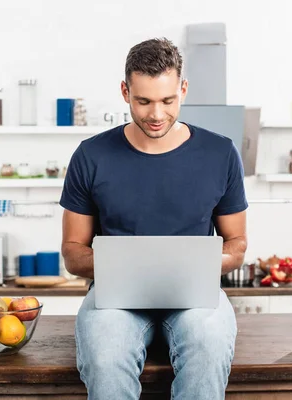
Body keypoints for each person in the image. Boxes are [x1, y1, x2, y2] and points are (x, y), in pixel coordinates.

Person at [60, 37, 248, 400]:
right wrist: (128, 267)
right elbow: (72, 251)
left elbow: (237, 243)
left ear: (184, 88)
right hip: (115, 300)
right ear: (125, 91)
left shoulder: (221, 152)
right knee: (105, 354)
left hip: (195, 297)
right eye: (143, 101)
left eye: (168, 100)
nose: (157, 114)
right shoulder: (91, 155)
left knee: (208, 343)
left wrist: (198, 264)